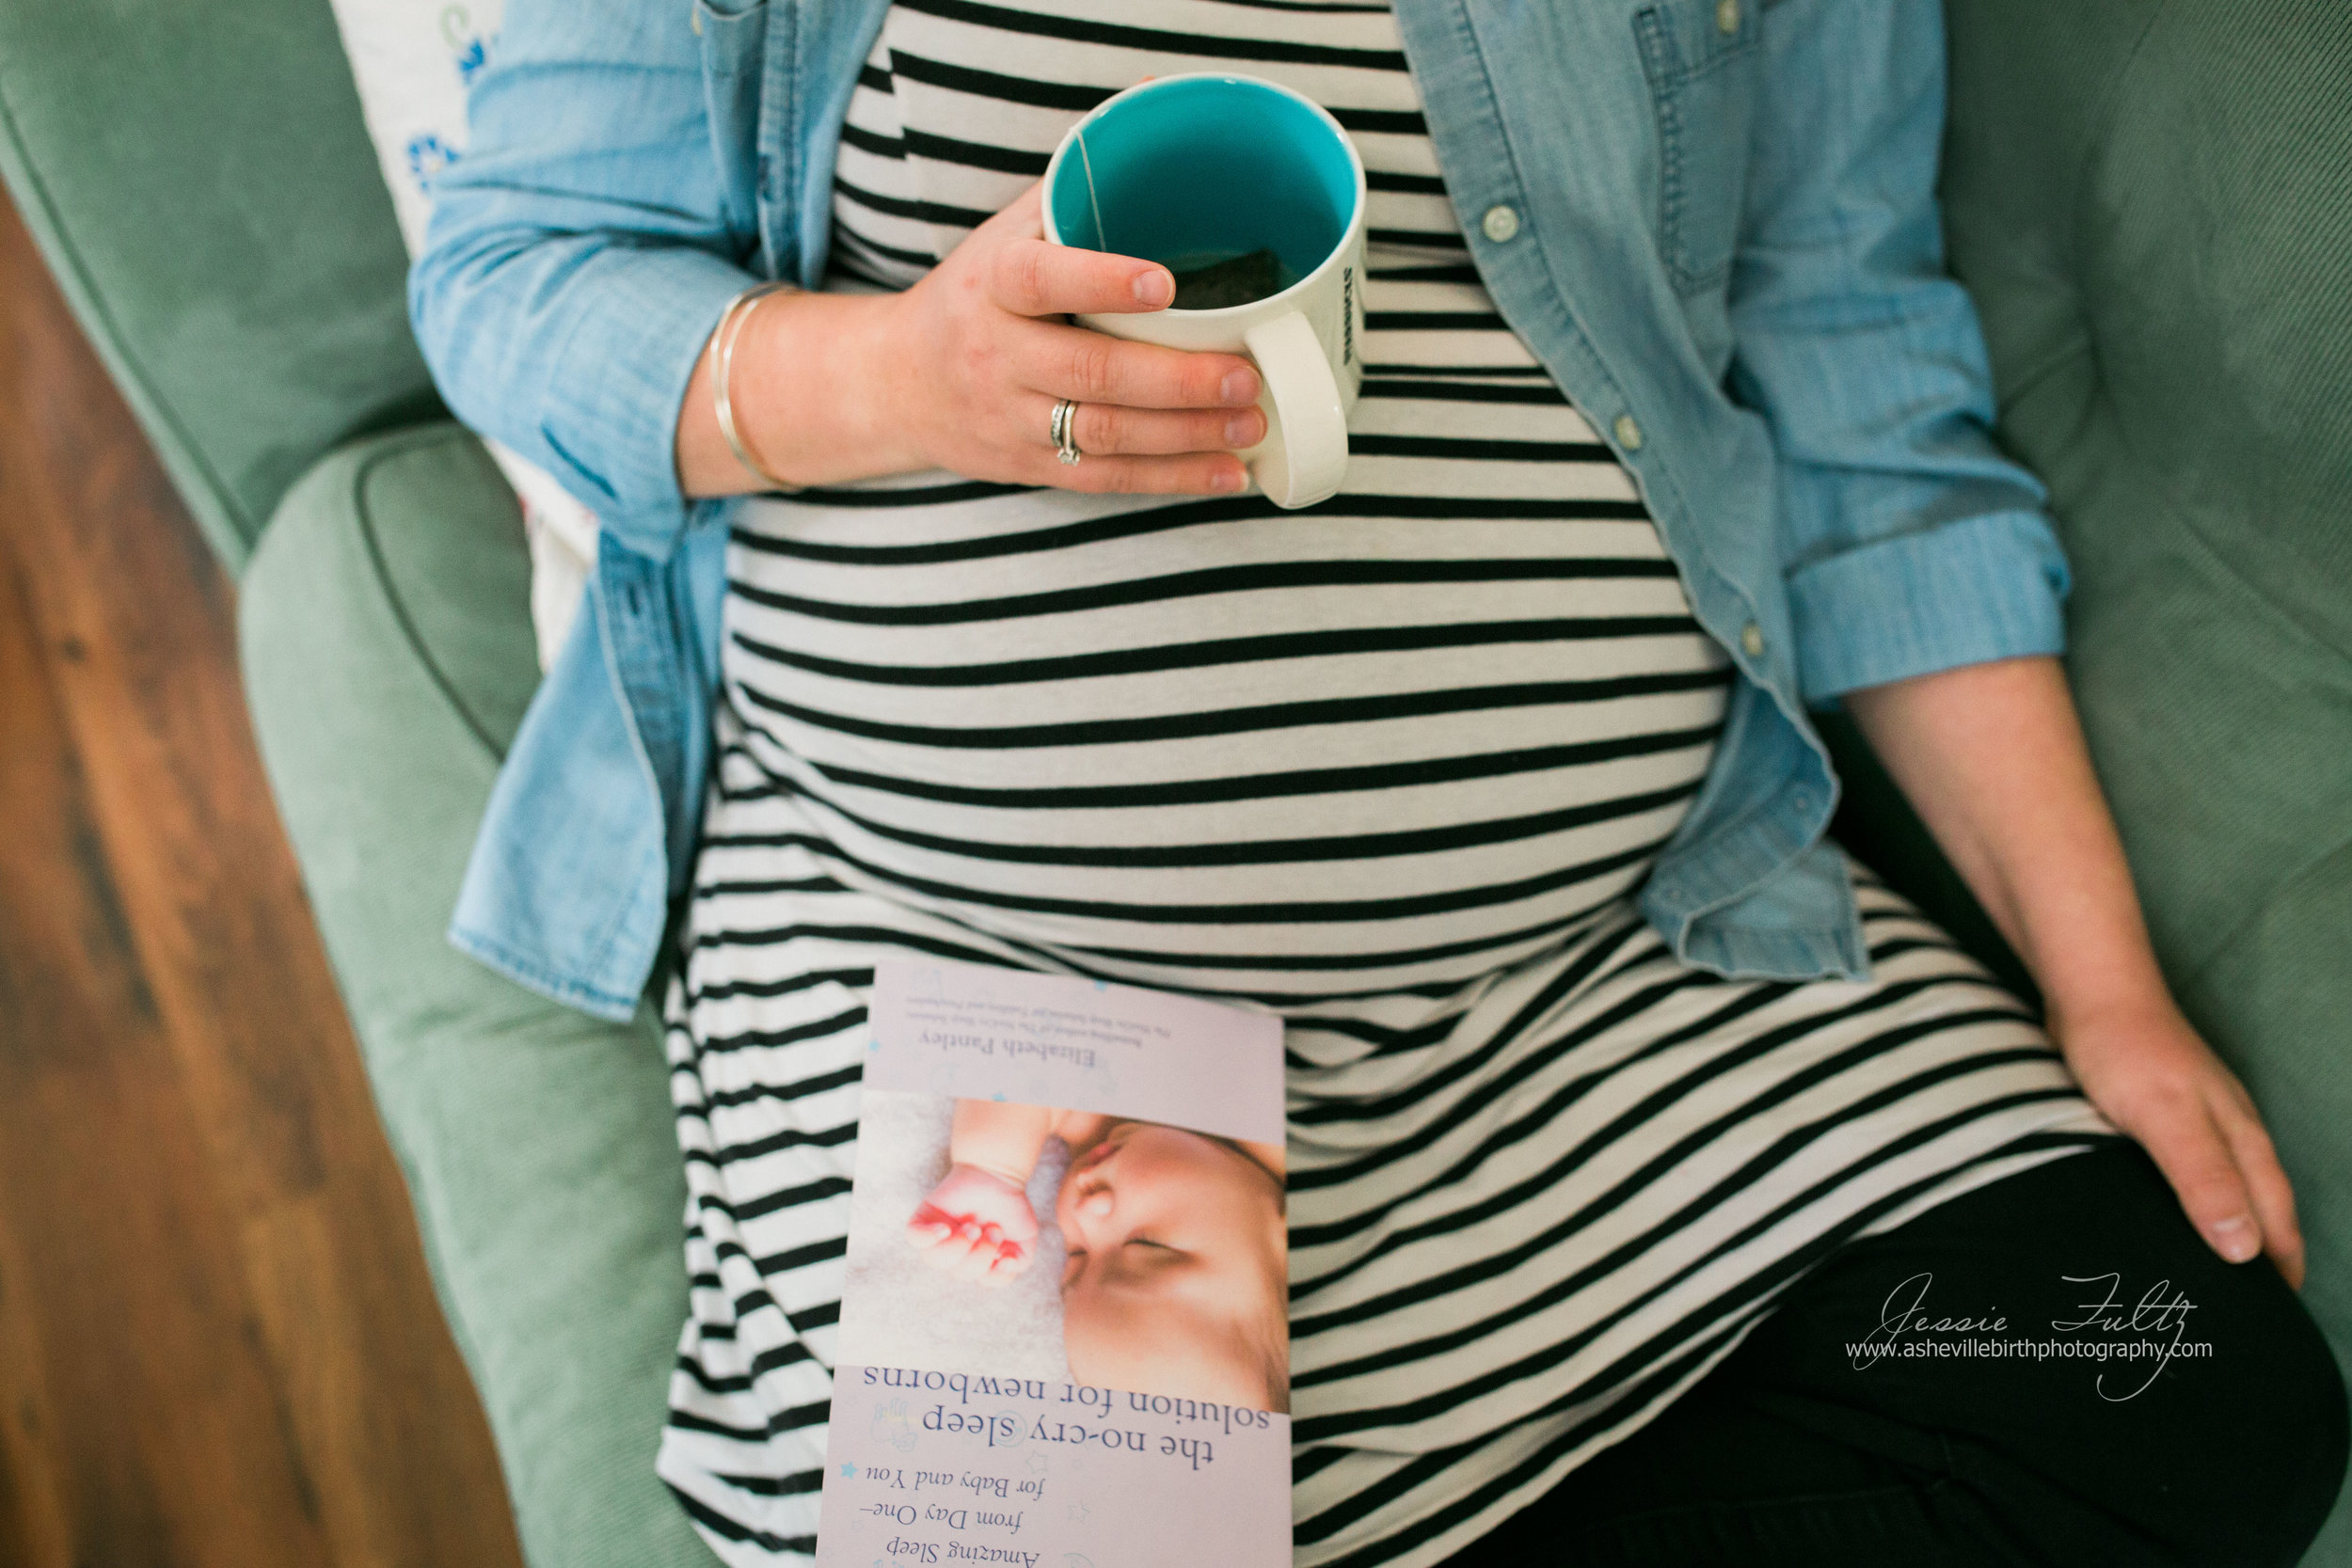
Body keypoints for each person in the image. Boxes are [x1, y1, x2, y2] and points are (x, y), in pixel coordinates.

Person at [411, 0, 2348, 1563]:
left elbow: (1852, 381)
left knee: (2166, 1371)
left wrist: (2099, 984)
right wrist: (909, 374)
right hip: (1019, 995)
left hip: (1627, 965)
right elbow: (508, 278)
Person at [909, 1100, 1291, 1412]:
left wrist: (991, 1169)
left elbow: (1028, 1071)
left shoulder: (1102, 1136)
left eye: (1076, 1256)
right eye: (1147, 1246)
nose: (1086, 1212)